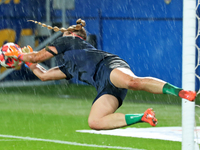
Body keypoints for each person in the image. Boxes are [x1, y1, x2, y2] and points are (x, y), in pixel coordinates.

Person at [5, 18, 196, 130]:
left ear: (73, 35)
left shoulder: (69, 41)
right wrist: (28, 61)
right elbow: (44, 75)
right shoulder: (68, 66)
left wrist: (21, 55)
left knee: (132, 82)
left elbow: (39, 56)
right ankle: (143, 116)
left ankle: (180, 92)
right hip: (103, 87)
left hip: (108, 66)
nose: (62, 36)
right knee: (94, 121)